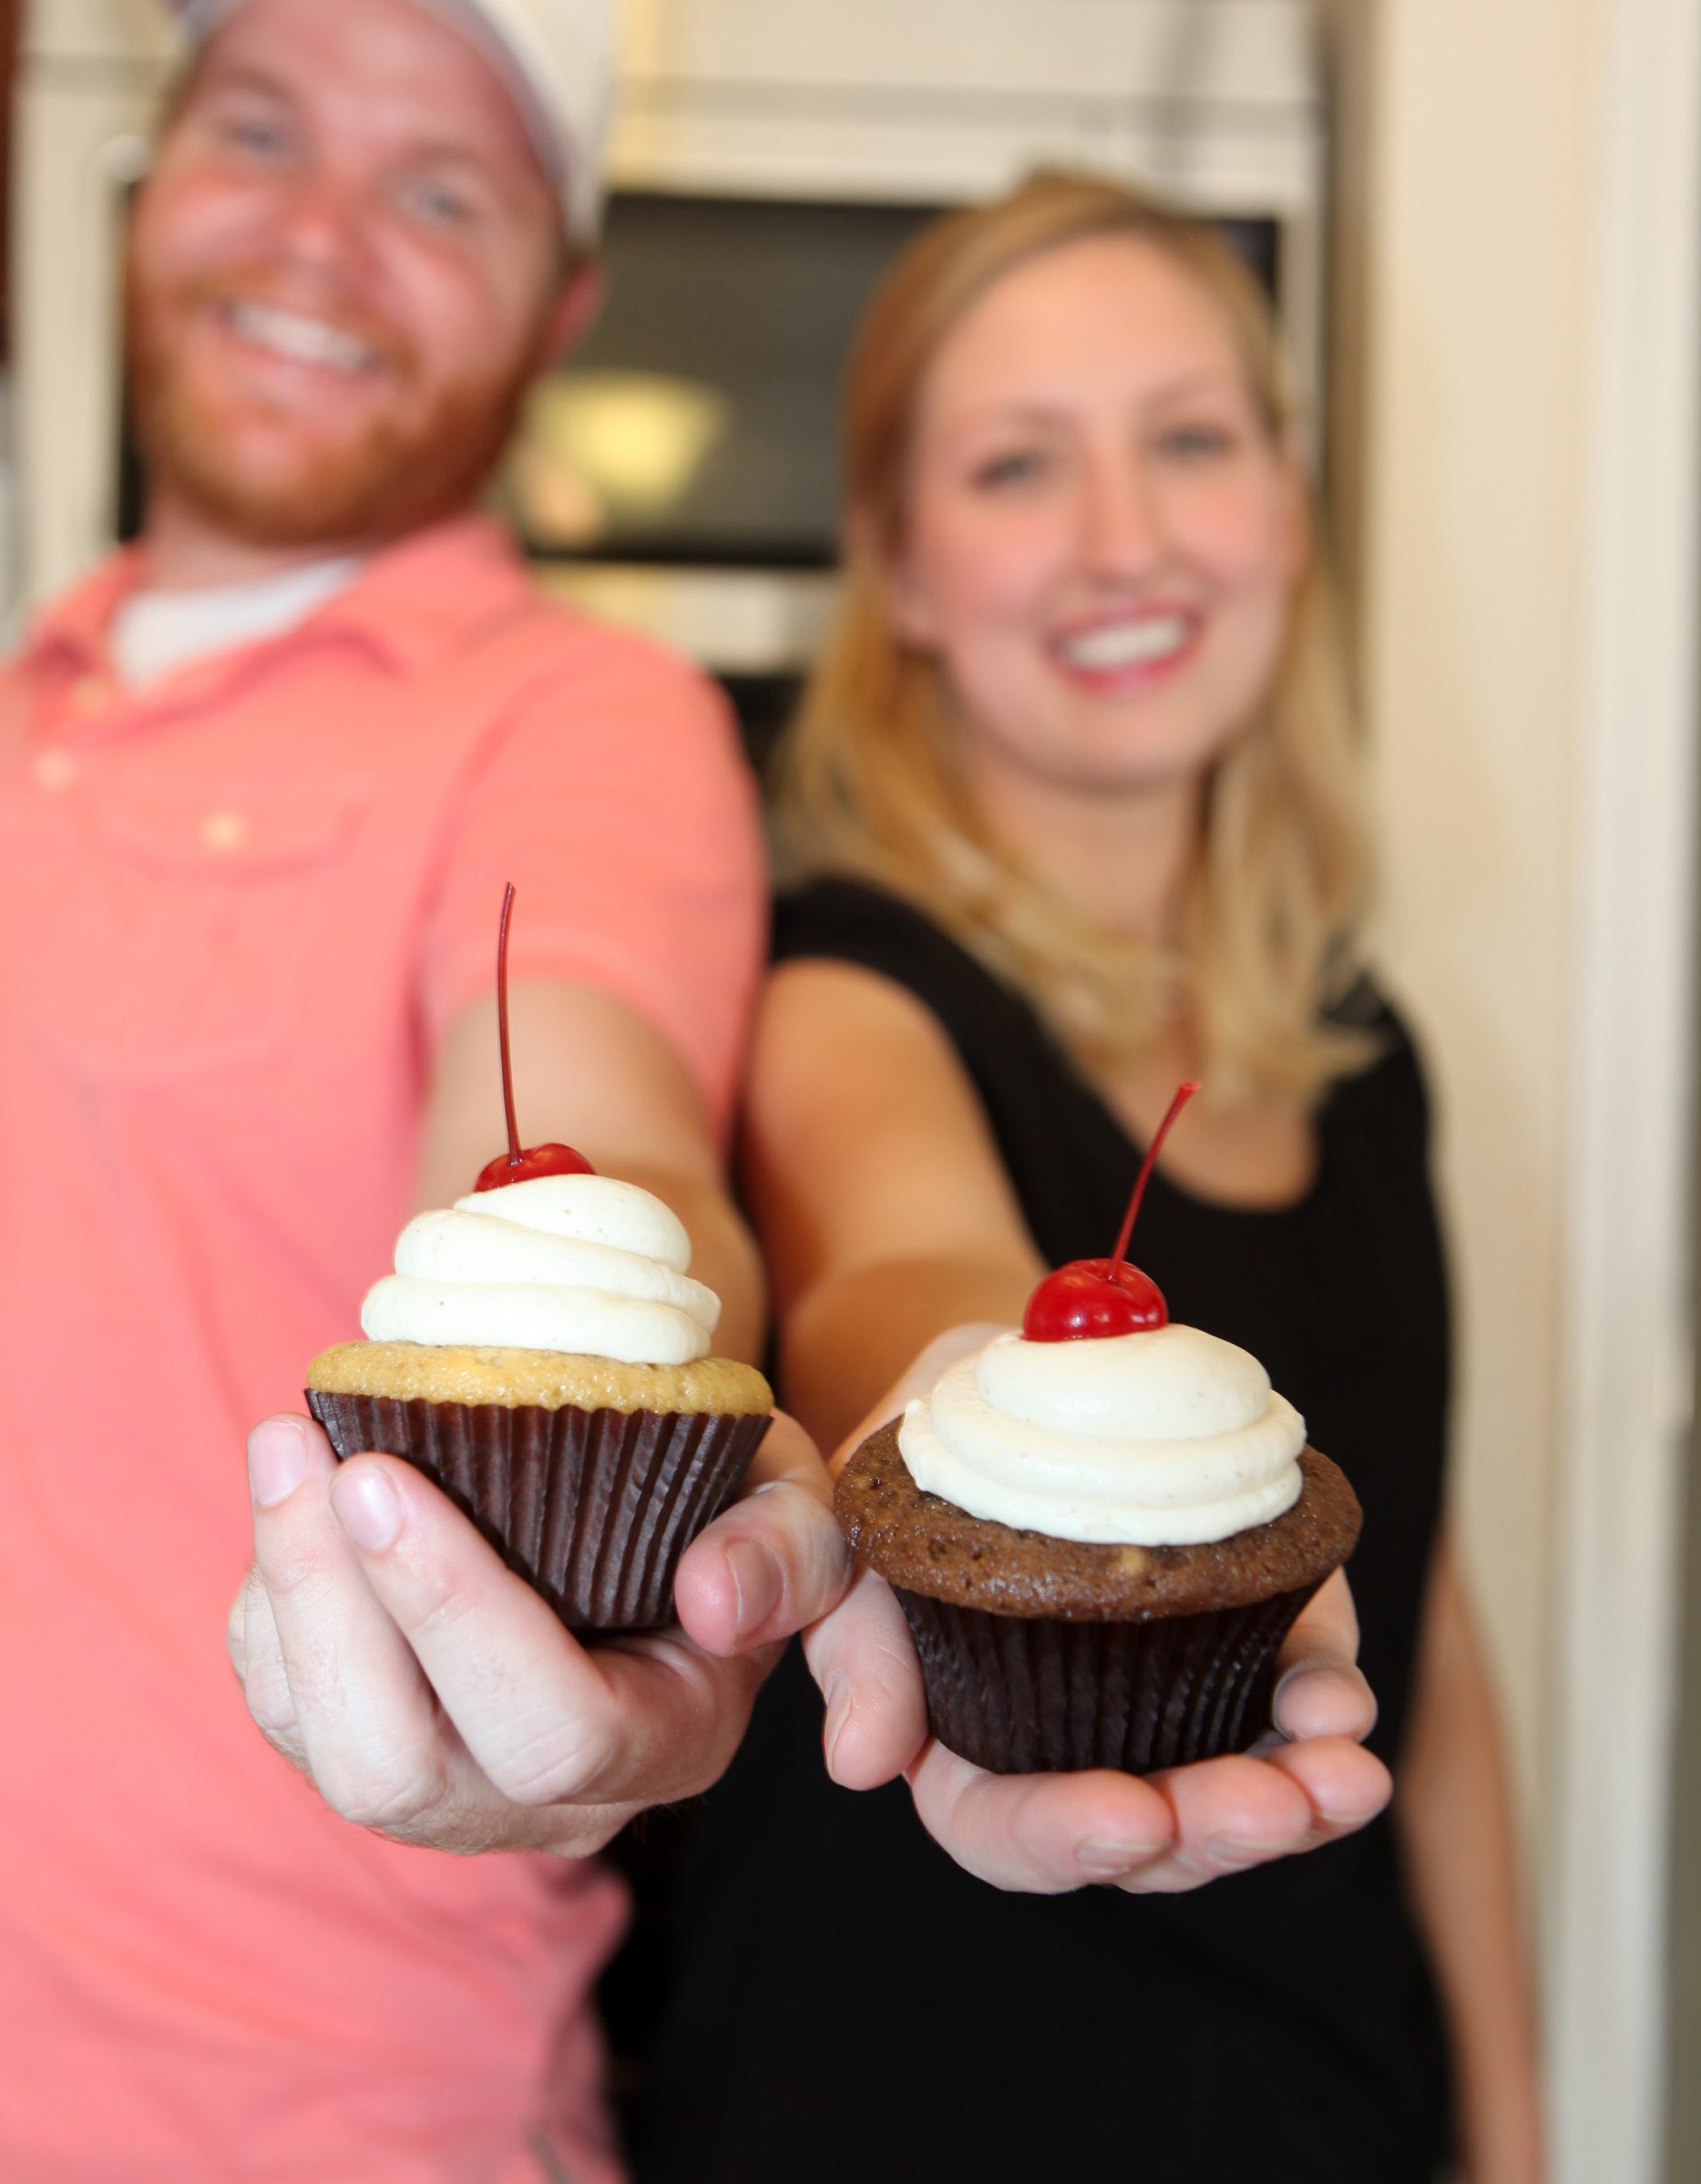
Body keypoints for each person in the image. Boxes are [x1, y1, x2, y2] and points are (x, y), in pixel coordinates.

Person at [0, 0, 852, 2176]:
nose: (317, 240)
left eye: (438, 187)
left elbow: (590, 1145)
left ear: (562, 305)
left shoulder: (575, 726)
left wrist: (635, 1526)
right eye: (260, 132)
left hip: (318, 2114)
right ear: (153, 178)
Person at [618, 175, 1543, 2183]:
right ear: (905, 571)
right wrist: (957, 1392)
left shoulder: (1367, 1047)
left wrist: (1519, 2129)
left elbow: (1428, 1625)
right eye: (1020, 465)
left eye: (1190, 440)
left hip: (1328, 2112)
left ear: (1289, 505)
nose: (1124, 539)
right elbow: (905, 1260)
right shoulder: (838, 992)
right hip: (884, 2117)